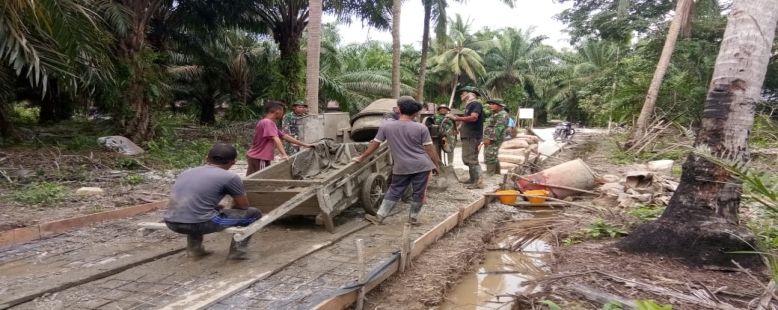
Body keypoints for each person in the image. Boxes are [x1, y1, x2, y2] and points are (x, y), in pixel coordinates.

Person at [163, 143, 262, 260]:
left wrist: (213, 206)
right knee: (254, 213)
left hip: (171, 221)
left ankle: (195, 250)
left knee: (197, 213)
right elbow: (243, 206)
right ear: (233, 162)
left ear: (207, 159)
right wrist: (228, 210)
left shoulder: (187, 172)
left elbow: (192, 199)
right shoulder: (230, 177)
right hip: (199, 224)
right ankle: (238, 252)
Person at [353, 96, 440, 225]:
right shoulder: (421, 128)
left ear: (399, 110)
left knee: (394, 190)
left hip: (401, 166)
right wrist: (436, 164)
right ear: (415, 113)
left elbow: (375, 144)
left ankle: (379, 217)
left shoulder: (386, 127)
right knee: (419, 192)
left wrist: (361, 157)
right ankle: (413, 219)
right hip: (422, 165)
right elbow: (429, 149)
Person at [247, 101, 312, 176]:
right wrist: (284, 154)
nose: (282, 114)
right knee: (259, 178)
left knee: (253, 178)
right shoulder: (267, 122)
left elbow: (284, 136)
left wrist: (305, 144)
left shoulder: (270, 123)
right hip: (260, 157)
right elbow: (275, 138)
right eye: (282, 111)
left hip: (258, 157)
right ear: (278, 111)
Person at [447, 86, 485, 189]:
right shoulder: (469, 105)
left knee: (471, 158)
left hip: (472, 135)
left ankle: (478, 181)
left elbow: (473, 118)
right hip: (468, 135)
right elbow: (466, 121)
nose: (461, 95)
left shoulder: (476, 104)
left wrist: (456, 118)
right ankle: (473, 178)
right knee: (466, 158)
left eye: (463, 93)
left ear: (469, 94)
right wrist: (459, 128)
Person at [483, 99, 509, 177]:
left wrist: (489, 138)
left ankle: (490, 173)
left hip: (495, 138)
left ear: (500, 106)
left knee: (490, 154)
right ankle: (496, 173)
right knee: (493, 154)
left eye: (493, 104)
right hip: (491, 137)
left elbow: (498, 128)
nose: (490, 106)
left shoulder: (502, 115)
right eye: (490, 104)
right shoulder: (496, 114)